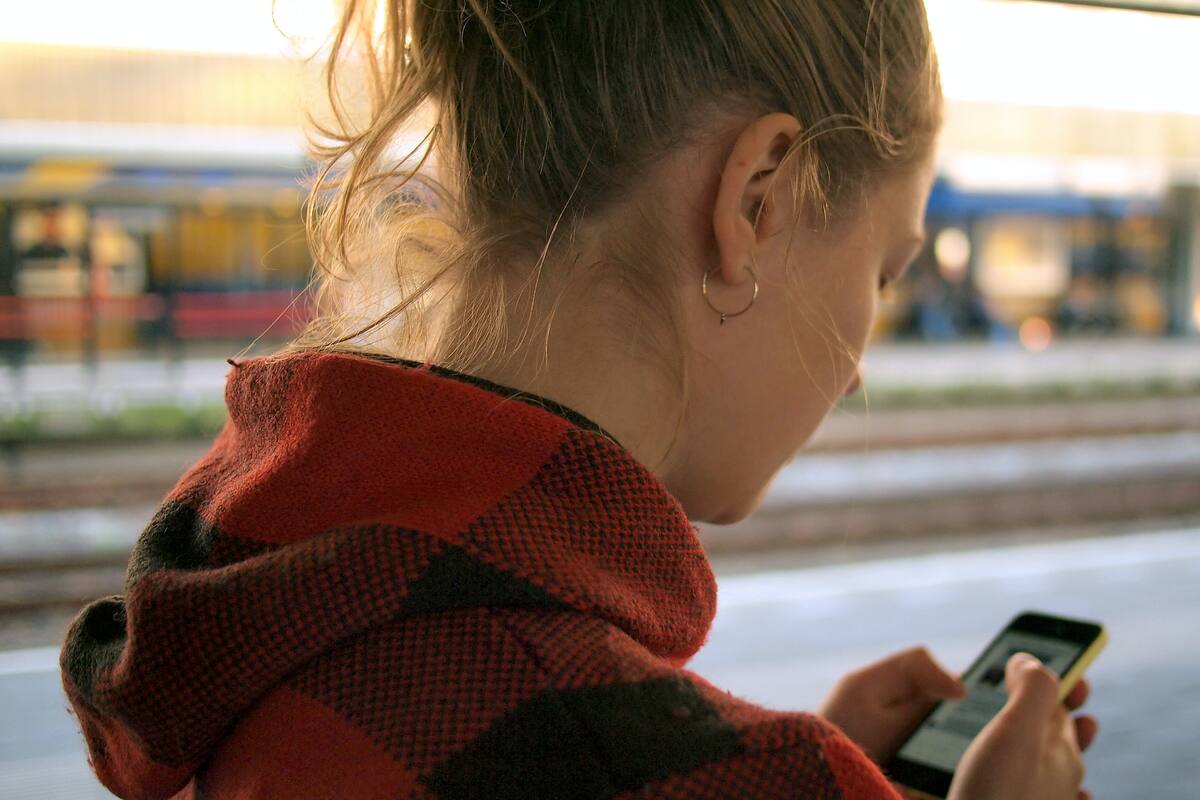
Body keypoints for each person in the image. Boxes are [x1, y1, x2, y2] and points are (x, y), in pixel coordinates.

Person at [59, 2, 1097, 798]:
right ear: (758, 198)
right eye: (882, 269)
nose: (860, 360)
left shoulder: (256, 602)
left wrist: (739, 748)